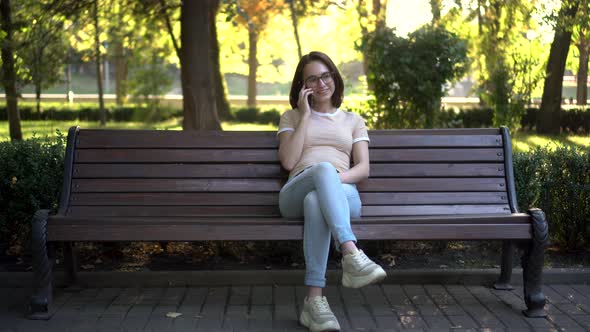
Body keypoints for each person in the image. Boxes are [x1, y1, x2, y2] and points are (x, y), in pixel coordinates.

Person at [277, 51, 386, 332]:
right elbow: (289, 162)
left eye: (325, 75)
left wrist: (335, 180)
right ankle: (351, 253)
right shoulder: (291, 116)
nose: (321, 83)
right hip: (296, 192)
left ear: (334, 77)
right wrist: (305, 116)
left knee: (318, 199)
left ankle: (314, 303)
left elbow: (363, 168)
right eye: (312, 78)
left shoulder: (352, 120)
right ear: (303, 86)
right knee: (321, 173)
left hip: (342, 192)